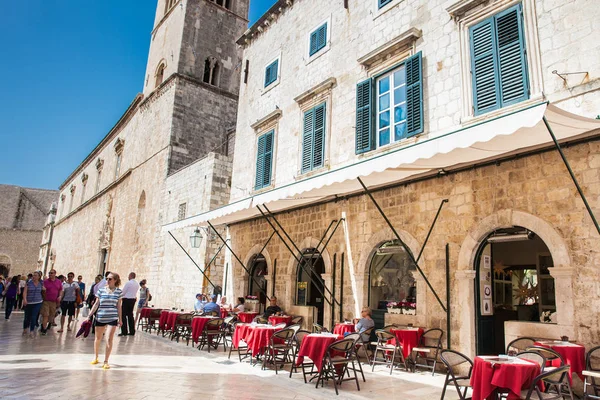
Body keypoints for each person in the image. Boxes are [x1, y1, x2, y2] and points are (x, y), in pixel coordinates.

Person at [88, 272, 122, 369]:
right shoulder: (101, 290)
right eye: (107, 278)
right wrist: (89, 315)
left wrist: (120, 319)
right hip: (100, 316)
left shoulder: (119, 292)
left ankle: (106, 361)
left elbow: (119, 306)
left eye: (110, 279)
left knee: (109, 338)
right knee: (98, 338)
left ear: (115, 280)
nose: (107, 280)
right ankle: (96, 356)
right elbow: (96, 304)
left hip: (112, 317)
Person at [40, 269, 63, 335]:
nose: (50, 274)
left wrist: (60, 296)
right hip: (46, 301)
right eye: (49, 273)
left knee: (51, 316)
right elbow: (42, 290)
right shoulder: (45, 282)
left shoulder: (58, 282)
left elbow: (60, 290)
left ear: (55, 274)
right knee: (45, 315)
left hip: (54, 302)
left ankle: (43, 325)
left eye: (52, 273)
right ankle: (44, 329)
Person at [22, 271, 44, 337]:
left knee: (34, 316)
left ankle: (31, 331)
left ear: (39, 277)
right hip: (29, 302)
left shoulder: (41, 283)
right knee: (27, 317)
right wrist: (25, 299)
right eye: (33, 275)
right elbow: (25, 292)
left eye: (36, 275)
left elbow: (43, 291)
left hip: (38, 302)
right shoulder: (29, 283)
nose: (34, 276)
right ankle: (25, 327)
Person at [120, 272, 139, 336]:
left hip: (126, 300)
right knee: (130, 315)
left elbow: (123, 292)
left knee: (123, 316)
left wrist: (119, 296)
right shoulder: (137, 284)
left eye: (128, 276)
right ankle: (132, 331)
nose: (128, 277)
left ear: (131, 276)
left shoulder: (128, 283)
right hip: (133, 300)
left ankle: (124, 331)